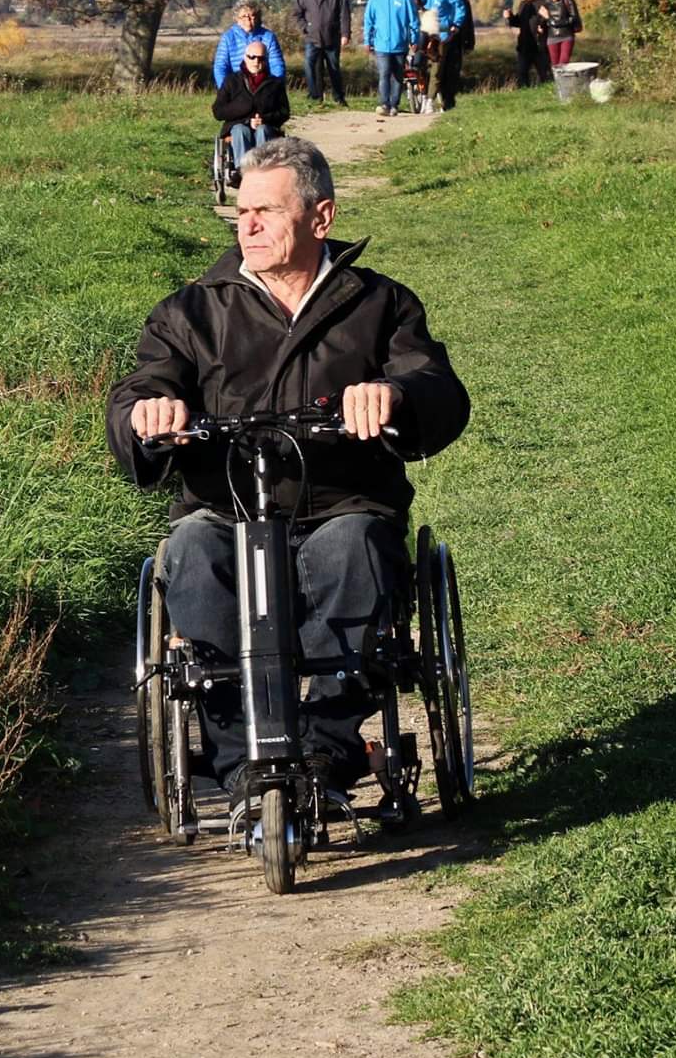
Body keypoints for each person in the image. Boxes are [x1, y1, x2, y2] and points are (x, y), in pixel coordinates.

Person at [107, 136, 469, 798]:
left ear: (320, 218)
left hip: (342, 504)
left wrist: (395, 395)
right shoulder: (191, 313)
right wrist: (148, 415)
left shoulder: (379, 305)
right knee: (190, 550)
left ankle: (326, 750)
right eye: (241, 212)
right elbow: (140, 389)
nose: (247, 225)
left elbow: (438, 387)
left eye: (267, 212)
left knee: (355, 549)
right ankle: (241, 757)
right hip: (226, 508)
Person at [212, 42, 289, 173]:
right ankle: (243, 170)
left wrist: (264, 119)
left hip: (266, 127)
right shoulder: (231, 81)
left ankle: (263, 169)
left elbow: (284, 112)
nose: (256, 61)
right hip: (237, 126)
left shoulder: (275, 84)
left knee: (262, 130)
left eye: (261, 58)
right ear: (245, 57)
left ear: (266, 59)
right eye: (252, 57)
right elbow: (218, 111)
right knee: (240, 130)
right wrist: (245, 113)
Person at [362, 0, 418, 116]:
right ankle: (384, 103)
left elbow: (413, 20)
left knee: (398, 76)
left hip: (400, 44)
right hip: (381, 44)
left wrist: (414, 39)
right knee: (384, 73)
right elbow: (368, 21)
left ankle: (394, 104)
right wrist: (367, 41)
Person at [295, 0, 351, 106]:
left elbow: (344, 15)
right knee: (310, 66)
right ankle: (315, 96)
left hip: (332, 38)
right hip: (312, 37)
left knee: (334, 68)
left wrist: (345, 34)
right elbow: (297, 14)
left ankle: (339, 97)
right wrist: (304, 27)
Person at [413, 0, 460, 110]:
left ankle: (429, 100)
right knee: (418, 65)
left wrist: (455, 25)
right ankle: (420, 92)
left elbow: (460, 8)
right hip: (421, 34)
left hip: (441, 34)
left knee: (437, 70)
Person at [213, 0, 285, 88]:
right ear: (237, 19)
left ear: (258, 17)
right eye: (244, 16)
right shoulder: (228, 38)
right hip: (236, 86)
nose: (248, 20)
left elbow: (277, 65)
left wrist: (276, 87)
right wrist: (225, 90)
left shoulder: (269, 37)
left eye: (252, 16)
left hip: (264, 85)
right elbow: (220, 67)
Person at [504, 0, 551, 87]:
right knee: (522, 73)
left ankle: (547, 94)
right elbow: (518, 22)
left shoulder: (544, 3)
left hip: (539, 45)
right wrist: (509, 17)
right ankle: (524, 95)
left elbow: (551, 21)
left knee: (544, 74)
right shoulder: (523, 4)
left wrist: (544, 26)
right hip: (524, 44)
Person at [444, 0, 476, 109]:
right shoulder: (442, 1)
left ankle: (450, 101)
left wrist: (470, 43)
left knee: (454, 73)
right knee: (442, 72)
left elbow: (468, 24)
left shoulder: (464, 2)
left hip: (458, 42)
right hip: (443, 40)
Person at [543, 0, 583, 68]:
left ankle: (564, 81)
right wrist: (541, 25)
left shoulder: (567, 0)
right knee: (555, 65)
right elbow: (542, 19)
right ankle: (559, 82)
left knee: (563, 63)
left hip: (566, 35)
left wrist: (554, 22)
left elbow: (573, 17)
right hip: (552, 36)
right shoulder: (545, 2)